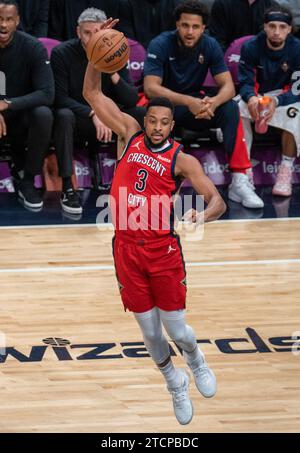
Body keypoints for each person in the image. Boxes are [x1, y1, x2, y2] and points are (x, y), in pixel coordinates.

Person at [83, 48, 226, 422]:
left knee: (177, 329)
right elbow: (92, 95)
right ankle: (173, 382)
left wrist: (202, 216)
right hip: (126, 247)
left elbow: (218, 202)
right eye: (153, 121)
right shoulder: (129, 134)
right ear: (144, 121)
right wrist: (94, 56)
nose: (157, 127)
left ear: (171, 126)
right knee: (148, 331)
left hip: (162, 249)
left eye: (164, 122)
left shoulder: (183, 159)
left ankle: (195, 359)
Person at [143, 0, 264, 209]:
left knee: (230, 108)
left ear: (203, 27)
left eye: (195, 26)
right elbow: (150, 88)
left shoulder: (210, 44)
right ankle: (159, 184)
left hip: (198, 104)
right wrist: (189, 101)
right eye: (185, 25)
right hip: (169, 104)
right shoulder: (161, 43)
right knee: (158, 111)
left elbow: (228, 86)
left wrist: (214, 103)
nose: (190, 31)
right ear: (177, 25)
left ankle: (239, 180)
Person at [51, 8, 144, 214]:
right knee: (63, 116)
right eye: (87, 33)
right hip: (80, 118)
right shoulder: (62, 53)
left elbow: (130, 99)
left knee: (138, 115)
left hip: (109, 119)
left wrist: (112, 71)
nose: (92, 37)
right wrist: (92, 113)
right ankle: (68, 187)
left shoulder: (112, 50)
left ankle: (133, 185)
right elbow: (59, 98)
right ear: (77, 32)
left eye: (97, 33)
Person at [238, 5, 300, 197]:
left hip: (283, 98)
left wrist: (277, 101)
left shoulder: (298, 49)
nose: (276, 32)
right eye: (272, 26)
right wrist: (251, 99)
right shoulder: (250, 47)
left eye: (282, 27)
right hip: (258, 97)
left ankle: (286, 170)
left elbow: (298, 89)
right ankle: (243, 170)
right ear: (264, 27)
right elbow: (245, 83)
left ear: (289, 29)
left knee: (297, 110)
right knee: (236, 109)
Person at [0, 0, 54, 209]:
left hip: (20, 116)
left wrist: (8, 104)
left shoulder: (32, 46)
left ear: (17, 21)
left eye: (8, 19)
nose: (3, 25)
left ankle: (28, 180)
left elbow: (47, 93)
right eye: (0, 19)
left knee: (43, 114)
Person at [209, 0, 275, 52]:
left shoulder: (272, 6)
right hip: (229, 59)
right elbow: (217, 41)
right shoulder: (222, 3)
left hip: (260, 61)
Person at [117, 0, 182, 49]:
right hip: (136, 58)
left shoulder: (177, 5)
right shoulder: (126, 3)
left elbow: (176, 39)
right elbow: (127, 40)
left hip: (167, 56)